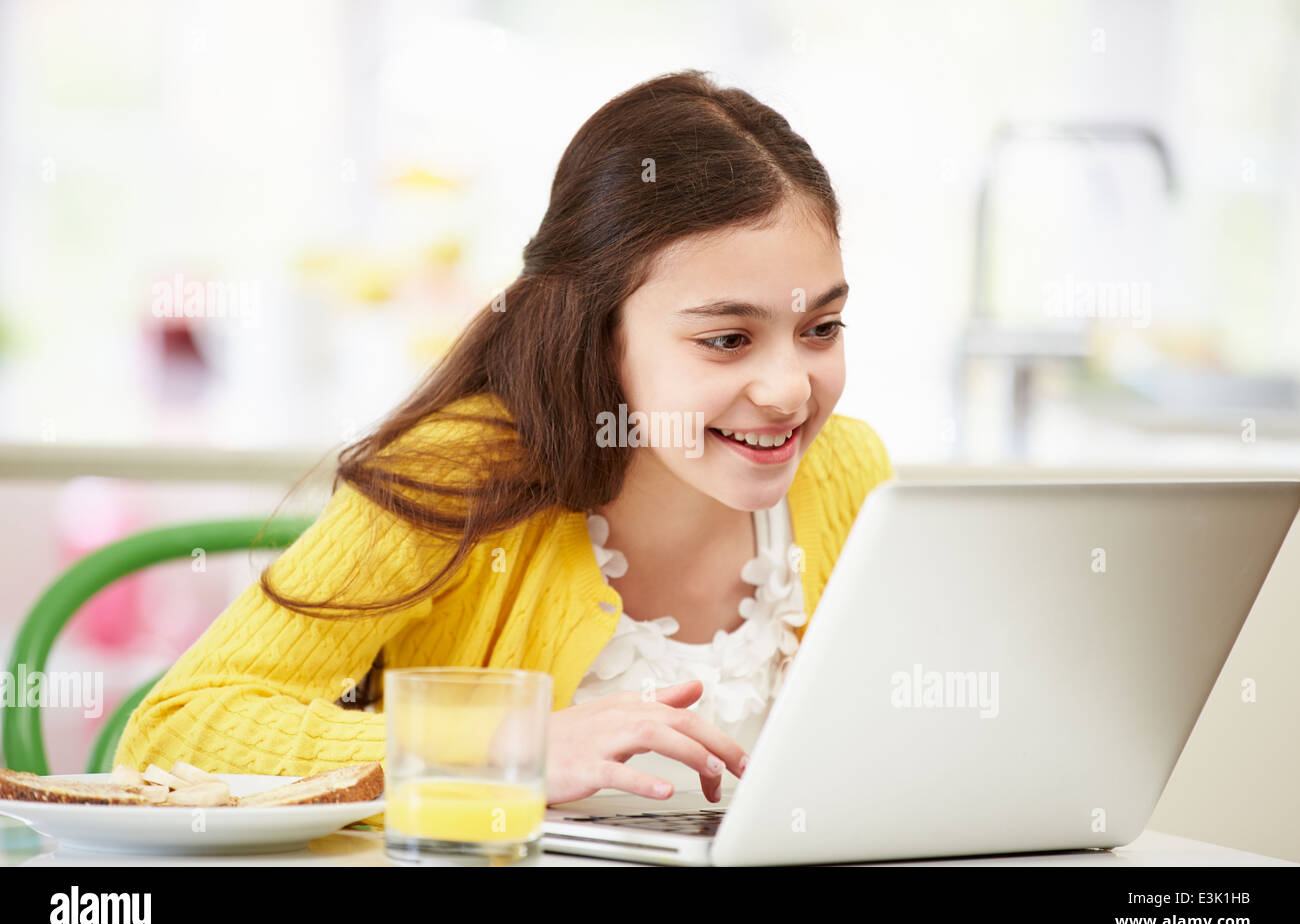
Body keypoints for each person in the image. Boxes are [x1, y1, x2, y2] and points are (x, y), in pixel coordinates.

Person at [113, 68, 894, 808]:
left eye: (821, 328)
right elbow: (174, 732)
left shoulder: (849, 472)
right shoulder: (456, 472)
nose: (791, 388)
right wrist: (503, 748)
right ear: (597, 333)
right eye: (727, 339)